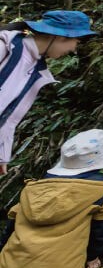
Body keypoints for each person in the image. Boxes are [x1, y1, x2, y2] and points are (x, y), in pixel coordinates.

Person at [0, 129, 103, 268]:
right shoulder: (102, 190)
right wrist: (92, 257)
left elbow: (11, 226)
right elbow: (100, 230)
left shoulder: (37, 187)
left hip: (13, 267)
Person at [0, 11, 97, 175]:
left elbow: (9, 119)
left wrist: (2, 156)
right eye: (76, 41)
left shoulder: (36, 70)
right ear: (59, 36)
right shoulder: (6, 46)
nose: (74, 49)